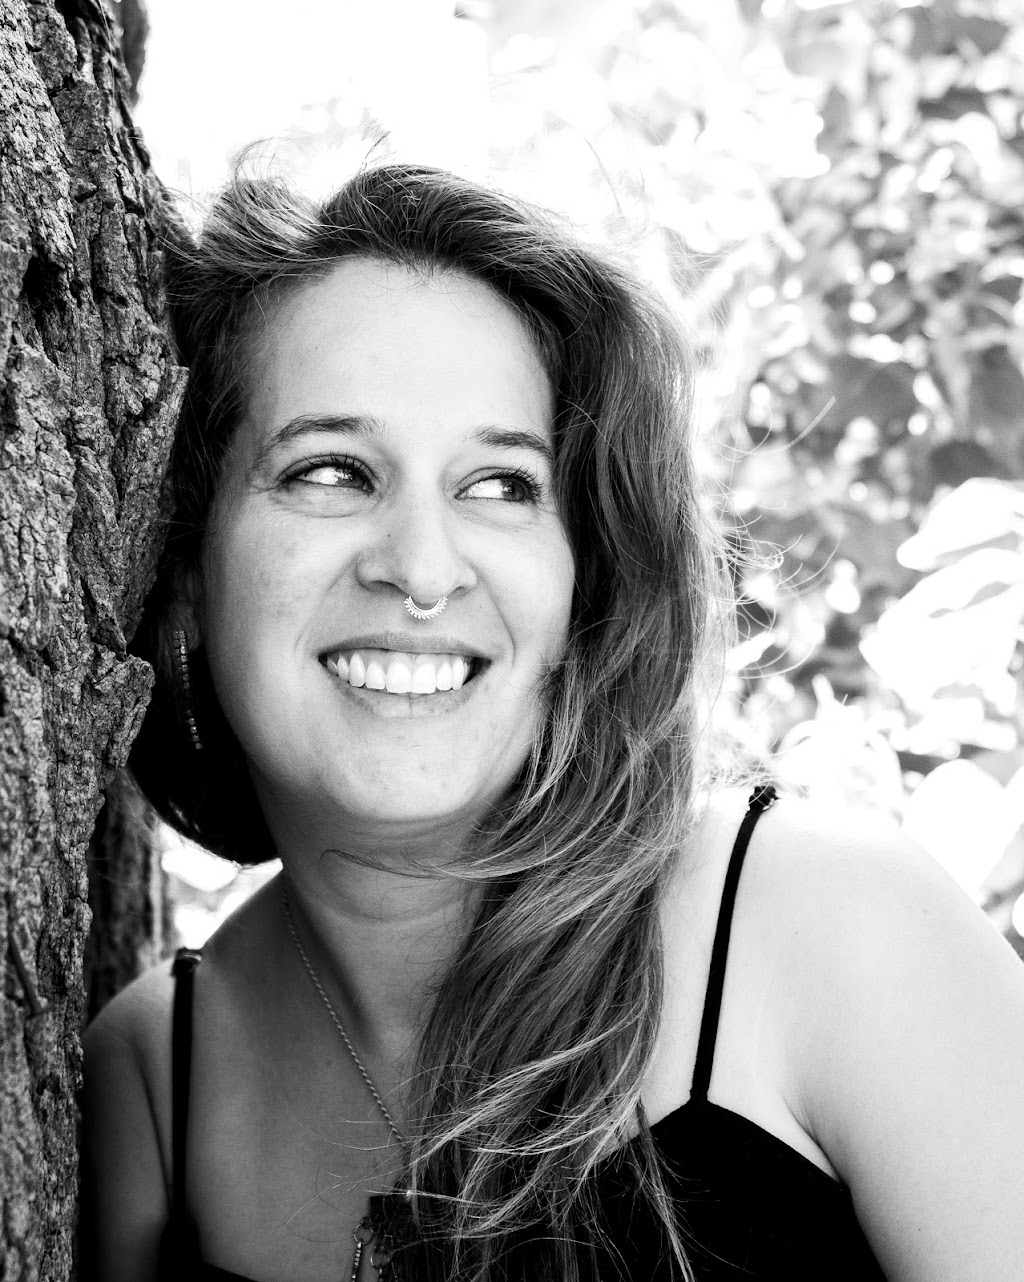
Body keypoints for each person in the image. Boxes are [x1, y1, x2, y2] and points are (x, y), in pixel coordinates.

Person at [81, 161, 1024, 1282]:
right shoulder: (156, 1083)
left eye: (501, 485)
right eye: (330, 471)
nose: (422, 568)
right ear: (188, 563)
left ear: (586, 582)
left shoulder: (833, 930)